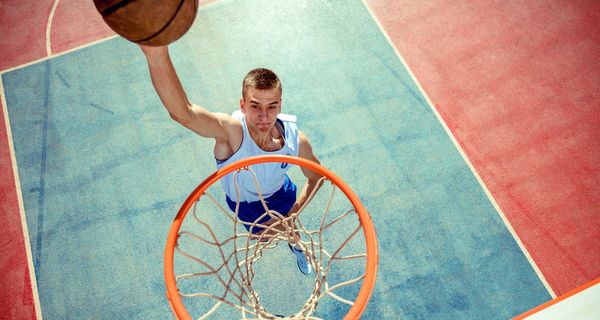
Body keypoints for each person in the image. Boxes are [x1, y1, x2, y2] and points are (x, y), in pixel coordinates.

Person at [140, 45, 322, 275]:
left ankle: (296, 244)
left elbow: (317, 177)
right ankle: (278, 235)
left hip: (280, 194)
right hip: (245, 205)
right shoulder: (232, 134)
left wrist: (292, 213)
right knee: (265, 237)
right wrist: (156, 54)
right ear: (242, 105)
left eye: (271, 106)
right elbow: (183, 113)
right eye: (255, 106)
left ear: (280, 106)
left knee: (290, 228)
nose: (264, 116)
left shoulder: (296, 140)